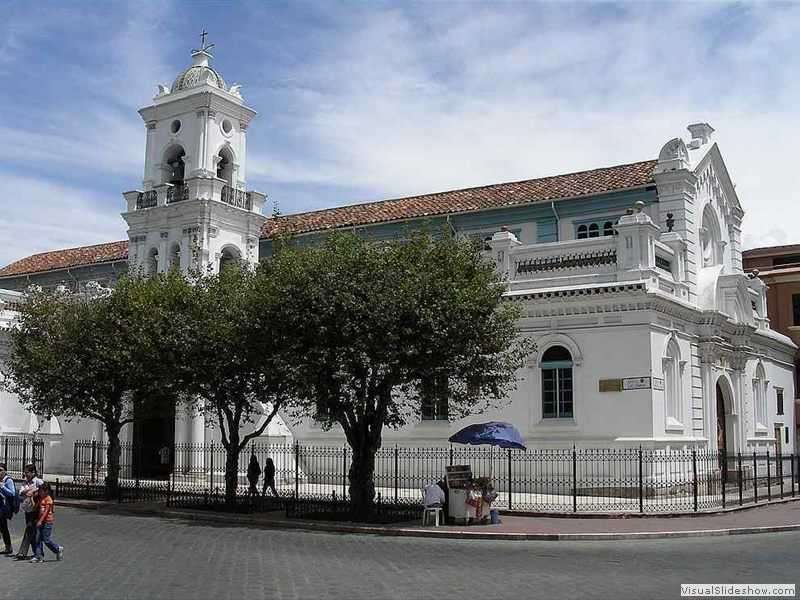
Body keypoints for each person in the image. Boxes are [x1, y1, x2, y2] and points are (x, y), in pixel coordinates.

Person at [13, 463, 42, 560]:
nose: (26, 474)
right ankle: (37, 552)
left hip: (36, 509)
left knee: (30, 528)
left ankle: (23, 552)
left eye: (27, 472)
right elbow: (21, 492)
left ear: (33, 472)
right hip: (28, 509)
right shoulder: (25, 483)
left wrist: (34, 491)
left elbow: (46, 491)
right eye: (25, 472)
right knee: (31, 531)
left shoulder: (38, 482)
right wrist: (28, 491)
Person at [30, 482, 63, 563]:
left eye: (41, 491)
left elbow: (46, 512)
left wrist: (40, 521)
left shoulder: (48, 499)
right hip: (40, 521)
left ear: (46, 491)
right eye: (40, 491)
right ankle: (39, 556)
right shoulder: (41, 498)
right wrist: (32, 498)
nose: (40, 493)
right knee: (38, 539)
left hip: (47, 522)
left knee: (46, 540)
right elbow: (35, 507)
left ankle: (57, 549)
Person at [0, 464, 16, 554]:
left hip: (4, 507)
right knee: (3, 527)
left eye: (1, 470)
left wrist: (3, 487)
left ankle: (8, 547)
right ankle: (8, 546)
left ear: (5, 471)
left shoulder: (8, 480)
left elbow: (12, 493)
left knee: (3, 527)